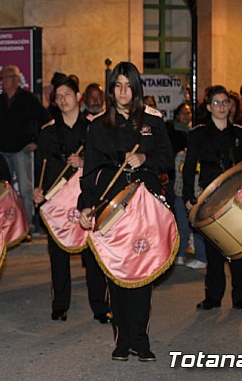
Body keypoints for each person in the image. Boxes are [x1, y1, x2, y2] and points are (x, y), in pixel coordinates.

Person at [78, 62, 173, 362]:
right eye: (117, 85)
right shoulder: (97, 124)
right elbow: (89, 173)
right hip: (111, 206)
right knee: (117, 275)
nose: (122, 91)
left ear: (136, 88)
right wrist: (85, 205)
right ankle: (122, 340)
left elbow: (167, 159)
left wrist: (144, 157)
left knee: (142, 275)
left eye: (127, 85)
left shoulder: (153, 121)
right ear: (111, 89)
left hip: (144, 206)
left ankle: (140, 339)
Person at [33, 74, 110, 324]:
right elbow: (40, 167)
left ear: (78, 97)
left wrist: (84, 162)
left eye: (68, 95)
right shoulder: (47, 132)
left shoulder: (94, 127)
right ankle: (60, 305)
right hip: (57, 202)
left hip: (86, 198)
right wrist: (38, 190)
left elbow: (107, 162)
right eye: (59, 96)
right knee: (58, 255)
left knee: (93, 255)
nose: (63, 99)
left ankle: (100, 306)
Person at [182, 85, 242, 313]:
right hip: (210, 197)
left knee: (238, 249)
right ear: (209, 107)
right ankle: (213, 297)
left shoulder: (240, 133)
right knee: (214, 249)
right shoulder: (197, 134)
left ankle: (241, 298)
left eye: (225, 102)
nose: (222, 107)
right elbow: (189, 167)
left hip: (236, 198)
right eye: (216, 103)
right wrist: (189, 195)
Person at [0, 65, 50, 231]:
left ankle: (27, 223)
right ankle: (9, 225)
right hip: (2, 150)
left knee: (25, 188)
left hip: (21, 149)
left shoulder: (27, 98)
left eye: (7, 77)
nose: (3, 81)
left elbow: (44, 118)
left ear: (16, 80)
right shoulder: (0, 100)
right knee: (4, 188)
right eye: (2, 77)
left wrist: (36, 140)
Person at [167, 102, 206, 269]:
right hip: (179, 196)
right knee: (181, 226)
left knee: (198, 228)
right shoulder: (180, 156)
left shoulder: (202, 157)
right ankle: (181, 253)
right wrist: (178, 196)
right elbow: (176, 177)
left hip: (198, 196)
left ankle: (201, 257)